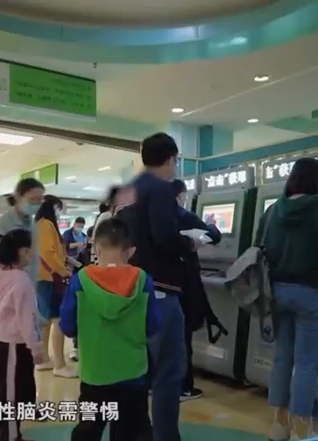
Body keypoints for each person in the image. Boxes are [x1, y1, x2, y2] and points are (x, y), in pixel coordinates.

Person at [115, 132, 203, 441]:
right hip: (159, 292)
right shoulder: (160, 189)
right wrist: (189, 243)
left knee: (133, 373)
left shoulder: (128, 191)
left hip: (128, 289)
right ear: (169, 159)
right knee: (167, 373)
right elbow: (165, 237)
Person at [257, 158, 318, 440]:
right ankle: (301, 427)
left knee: (282, 356)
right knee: (307, 362)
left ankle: (278, 425)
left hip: (277, 292)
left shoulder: (272, 211)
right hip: (312, 293)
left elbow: (260, 248)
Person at [61, 217, 159, 441]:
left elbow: (67, 326)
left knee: (89, 431)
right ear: (131, 251)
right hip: (133, 373)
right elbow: (153, 326)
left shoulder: (80, 280)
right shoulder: (143, 280)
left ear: (96, 248)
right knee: (131, 432)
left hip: (95, 373)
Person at [0, 229, 43, 441]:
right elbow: (25, 318)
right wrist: (35, 347)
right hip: (15, 345)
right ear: (22, 252)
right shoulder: (22, 281)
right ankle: (10, 437)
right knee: (12, 394)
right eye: (29, 249)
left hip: (0, 342)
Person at [170, 178, 224, 401]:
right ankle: (184, 386)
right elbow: (214, 236)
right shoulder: (184, 216)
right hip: (185, 281)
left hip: (163, 282)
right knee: (183, 335)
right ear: (181, 195)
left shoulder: (155, 216)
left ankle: (162, 382)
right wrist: (211, 224)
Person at [35, 195, 78, 378]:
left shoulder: (39, 225)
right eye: (59, 208)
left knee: (45, 321)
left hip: (42, 276)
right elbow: (47, 253)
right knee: (57, 319)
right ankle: (59, 365)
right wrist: (63, 271)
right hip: (50, 277)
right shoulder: (46, 225)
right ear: (52, 207)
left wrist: (67, 262)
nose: (60, 212)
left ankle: (43, 359)